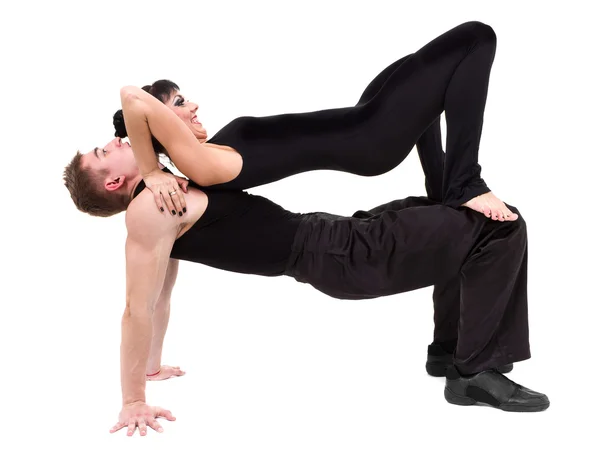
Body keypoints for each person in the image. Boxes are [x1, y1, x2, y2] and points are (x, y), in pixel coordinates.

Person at [63, 142, 549, 437]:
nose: (111, 141)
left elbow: (161, 296)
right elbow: (137, 308)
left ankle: (451, 354)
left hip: (335, 238)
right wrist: (132, 399)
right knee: (499, 225)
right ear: (114, 183)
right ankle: (472, 373)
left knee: (458, 221)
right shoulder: (149, 211)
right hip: (341, 254)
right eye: (103, 153)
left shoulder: (161, 192)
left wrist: (151, 365)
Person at [114, 21, 518, 224]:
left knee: (410, 67)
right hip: (371, 138)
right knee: (476, 37)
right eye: (181, 103)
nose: (194, 104)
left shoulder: (209, 150)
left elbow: (139, 110)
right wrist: (151, 171)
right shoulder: (200, 165)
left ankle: (441, 186)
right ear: (163, 124)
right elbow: (131, 97)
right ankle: (465, 184)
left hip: (364, 122)